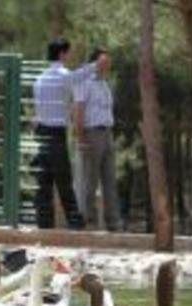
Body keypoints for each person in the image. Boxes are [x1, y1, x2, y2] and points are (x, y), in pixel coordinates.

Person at [31, 38, 96, 230]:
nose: (69, 56)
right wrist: (96, 64)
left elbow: (37, 109)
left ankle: (44, 225)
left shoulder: (39, 79)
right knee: (64, 181)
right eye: (68, 52)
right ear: (61, 54)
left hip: (41, 133)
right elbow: (80, 75)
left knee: (43, 182)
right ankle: (75, 223)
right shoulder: (63, 75)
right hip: (56, 134)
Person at [73, 47, 120, 231]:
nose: (106, 65)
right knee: (88, 180)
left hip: (107, 133)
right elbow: (78, 110)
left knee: (109, 179)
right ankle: (88, 220)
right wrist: (80, 137)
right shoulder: (84, 81)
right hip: (91, 133)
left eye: (108, 62)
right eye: (102, 62)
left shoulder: (104, 83)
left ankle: (113, 222)